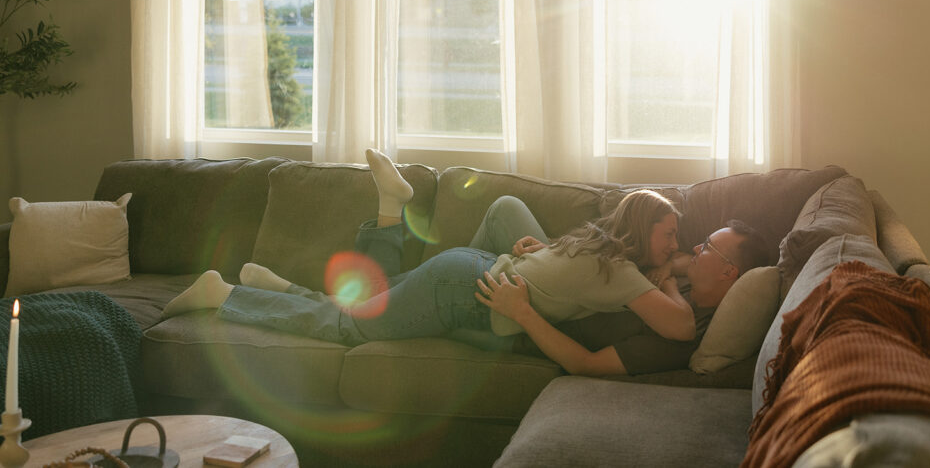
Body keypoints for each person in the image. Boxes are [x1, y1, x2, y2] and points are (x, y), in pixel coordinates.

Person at [161, 150, 696, 364]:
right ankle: (226, 294)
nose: (673, 244)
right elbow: (680, 329)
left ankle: (387, 212)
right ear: (641, 231)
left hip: (467, 268)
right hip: (463, 291)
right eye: (668, 235)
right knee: (352, 327)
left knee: (375, 296)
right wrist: (669, 276)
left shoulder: (593, 241)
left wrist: (540, 257)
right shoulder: (622, 274)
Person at [479, 215, 769, 376]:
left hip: (526, 319)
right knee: (503, 211)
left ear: (728, 273)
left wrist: (523, 313)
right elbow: (674, 257)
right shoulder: (689, 281)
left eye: (706, 246)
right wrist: (553, 252)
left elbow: (586, 365)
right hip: (554, 285)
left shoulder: (678, 337)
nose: (694, 248)